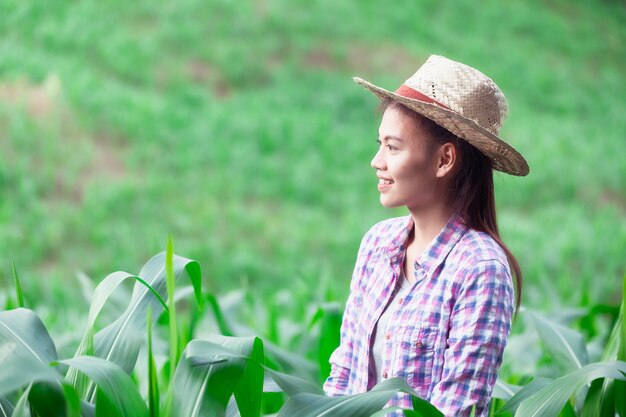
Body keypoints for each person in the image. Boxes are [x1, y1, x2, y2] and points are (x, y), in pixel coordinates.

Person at [323, 55, 529, 417]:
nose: (376, 161)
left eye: (393, 147)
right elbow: (344, 375)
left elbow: (457, 408)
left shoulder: (480, 270)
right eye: (379, 143)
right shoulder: (378, 243)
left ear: (444, 160)